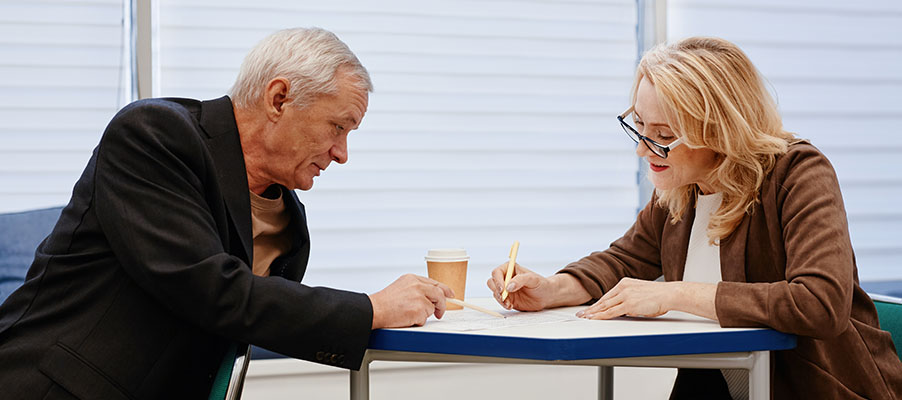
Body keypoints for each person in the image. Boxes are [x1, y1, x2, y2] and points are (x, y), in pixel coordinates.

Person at [0, 27, 453, 398]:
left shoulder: (290, 222)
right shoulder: (153, 135)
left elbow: (254, 320)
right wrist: (370, 308)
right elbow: (210, 290)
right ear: (279, 99)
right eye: (338, 127)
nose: (342, 153)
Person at [488, 36, 902, 399]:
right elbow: (622, 262)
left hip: (820, 389)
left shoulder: (798, 173)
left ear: (721, 131)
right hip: (718, 387)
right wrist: (552, 288)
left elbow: (819, 304)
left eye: (665, 136)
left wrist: (675, 294)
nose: (644, 149)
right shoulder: (681, 187)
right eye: (640, 127)